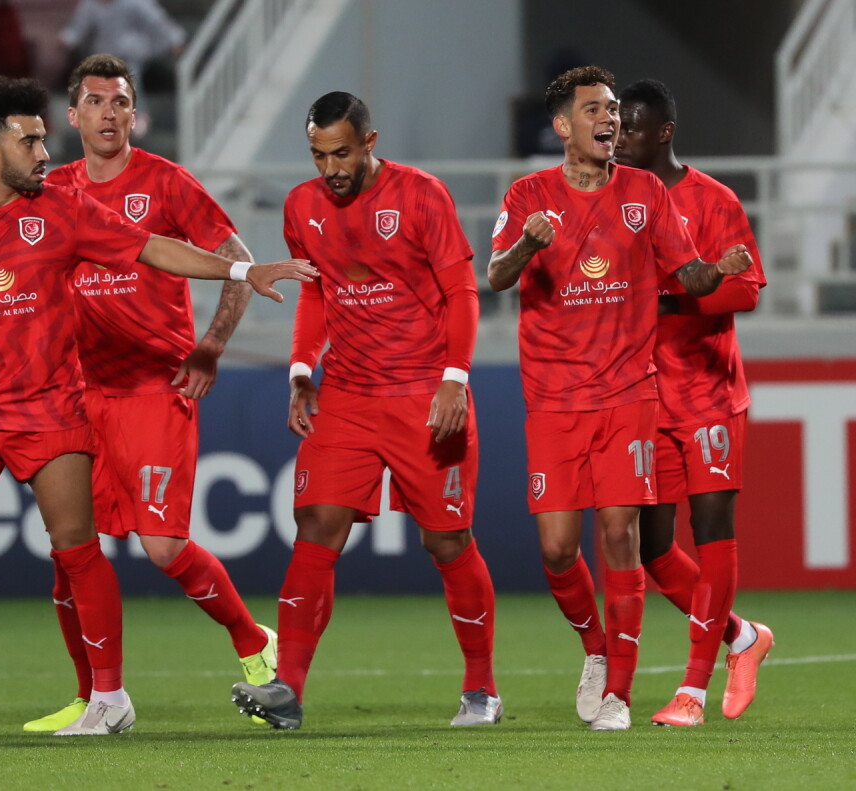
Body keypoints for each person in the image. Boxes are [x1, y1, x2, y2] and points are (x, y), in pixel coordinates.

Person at [0, 77, 315, 736]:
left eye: (46, 138)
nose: (45, 151)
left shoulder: (66, 210)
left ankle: (115, 693)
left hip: (58, 409)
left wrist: (242, 272)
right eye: (31, 139)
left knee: (87, 551)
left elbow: (152, 246)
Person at [486, 65, 753, 731]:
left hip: (632, 393)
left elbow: (687, 272)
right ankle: (596, 649)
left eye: (613, 110)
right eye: (595, 111)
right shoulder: (527, 194)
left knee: (621, 533)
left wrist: (715, 272)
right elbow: (492, 275)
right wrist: (527, 243)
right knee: (555, 547)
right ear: (562, 127)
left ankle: (621, 696)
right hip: (552, 396)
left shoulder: (643, 193)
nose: (610, 120)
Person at [20, 53, 276, 734]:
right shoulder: (52, 188)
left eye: (122, 102)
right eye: (97, 102)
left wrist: (212, 344)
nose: (110, 113)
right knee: (68, 554)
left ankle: (254, 640)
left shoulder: (165, 183)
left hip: (152, 389)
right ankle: (93, 695)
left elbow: (239, 260)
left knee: (163, 547)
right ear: (71, 116)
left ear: (135, 113)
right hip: (78, 396)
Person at [231, 91, 500, 731]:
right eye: (319, 155)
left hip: (424, 392)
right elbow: (319, 292)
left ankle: (481, 688)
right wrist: (302, 370)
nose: (331, 168)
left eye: (343, 153)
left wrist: (454, 380)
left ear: (370, 143)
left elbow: (463, 291)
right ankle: (287, 689)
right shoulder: (302, 207)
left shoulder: (422, 196)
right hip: (348, 394)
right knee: (319, 524)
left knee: (446, 540)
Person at [615, 78, 774, 727]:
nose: (618, 137)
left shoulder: (713, 200)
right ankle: (743, 636)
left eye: (630, 128)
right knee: (654, 547)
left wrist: (669, 298)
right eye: (615, 127)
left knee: (712, 535)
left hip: (709, 393)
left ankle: (692, 689)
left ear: (664, 132)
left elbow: (745, 291)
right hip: (646, 396)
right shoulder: (619, 206)